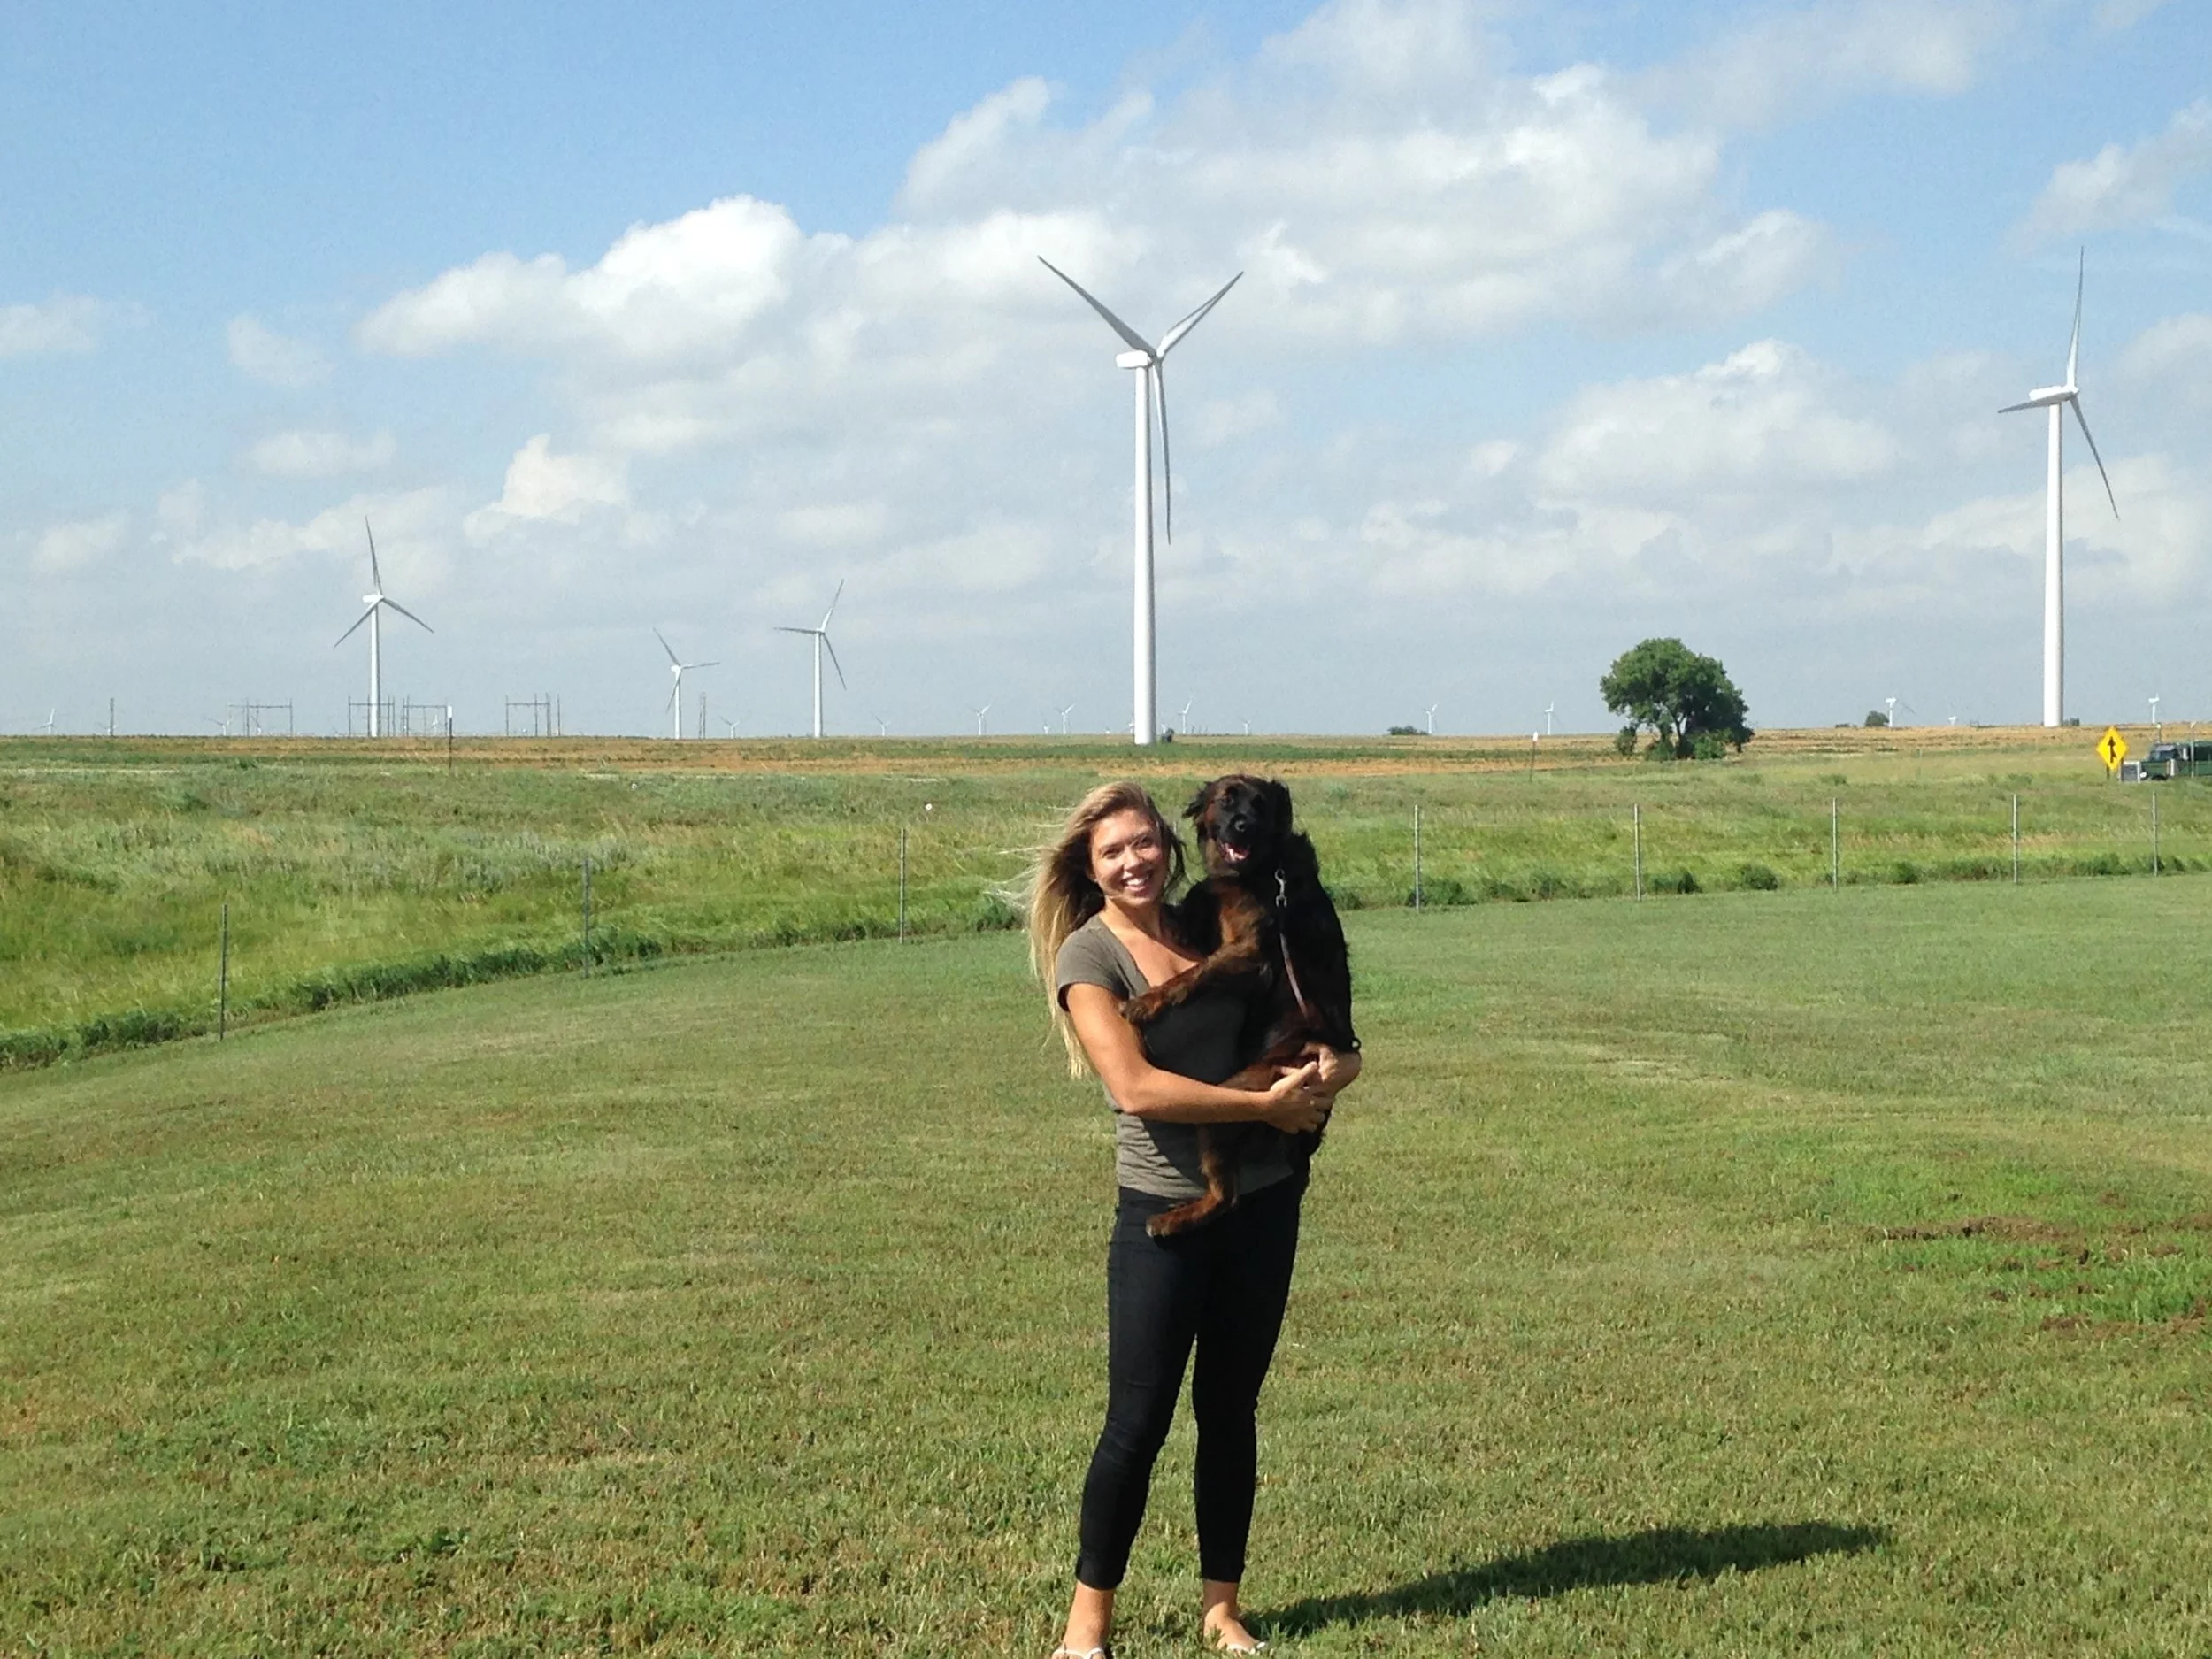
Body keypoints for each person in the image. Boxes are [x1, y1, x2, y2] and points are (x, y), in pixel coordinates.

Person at [1028, 780, 1361, 1657]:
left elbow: (1319, 1017)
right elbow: (1135, 1088)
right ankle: (1086, 1626)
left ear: (1173, 844)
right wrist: (1263, 1109)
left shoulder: (1213, 920)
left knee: (1229, 1410)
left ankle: (1222, 1608)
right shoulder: (1089, 957)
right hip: (1161, 1210)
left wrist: (1338, 1067)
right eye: (1113, 851)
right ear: (1090, 867)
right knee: (1135, 1424)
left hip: (1264, 1203)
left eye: (1144, 842)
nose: (1133, 861)